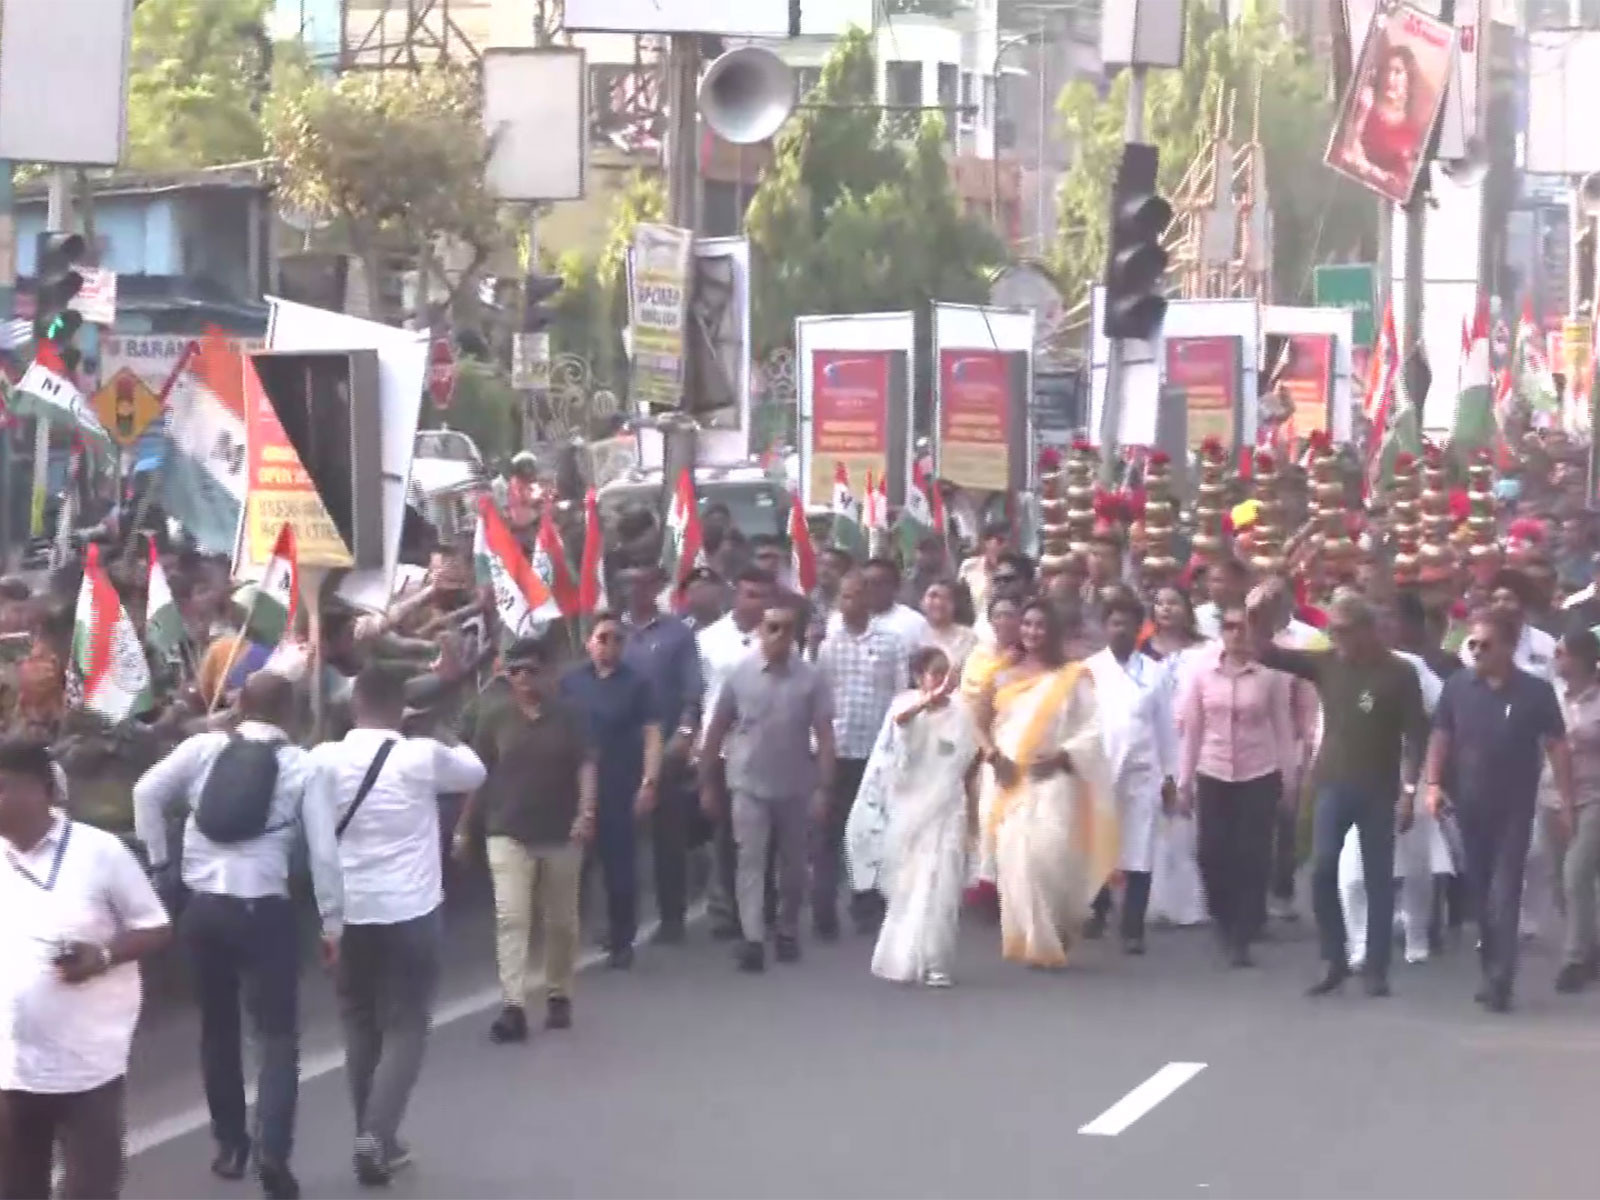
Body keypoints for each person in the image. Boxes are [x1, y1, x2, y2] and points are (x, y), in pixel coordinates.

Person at [132, 672, 340, 1200]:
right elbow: (322, 853)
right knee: (275, 1038)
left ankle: (230, 1146)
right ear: (291, 714)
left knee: (217, 1030)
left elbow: (145, 794)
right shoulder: (304, 765)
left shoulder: (204, 747)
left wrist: (161, 867)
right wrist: (333, 921)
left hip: (202, 910)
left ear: (240, 706)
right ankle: (274, 1152)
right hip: (264, 910)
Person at [306, 663, 486, 1186]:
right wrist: (432, 727)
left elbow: (316, 837)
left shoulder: (323, 758)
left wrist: (328, 919)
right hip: (411, 909)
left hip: (350, 912)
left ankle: (374, 1132)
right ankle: (377, 1134)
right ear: (400, 705)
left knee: (359, 1022)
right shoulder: (420, 754)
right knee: (407, 1025)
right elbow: (474, 770)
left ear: (354, 702)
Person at [1, 739, 171, 1200]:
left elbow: (156, 928)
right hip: (12, 1070)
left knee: (90, 1189)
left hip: (89, 1067)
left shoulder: (100, 852)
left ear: (40, 791)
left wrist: (103, 956)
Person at [1248, 583, 1427, 999]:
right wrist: (1256, 615)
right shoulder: (1327, 663)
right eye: (1333, 630)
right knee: (1323, 869)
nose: (1337, 638)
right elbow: (1267, 654)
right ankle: (1335, 959)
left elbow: (1417, 735)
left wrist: (1409, 790)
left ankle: (1376, 968)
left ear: (1367, 630)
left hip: (1380, 789)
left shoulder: (1400, 673)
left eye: (1344, 630)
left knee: (1379, 880)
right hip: (1332, 783)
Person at [1428, 611, 1573, 1012]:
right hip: (1468, 804)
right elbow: (1441, 734)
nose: (1476, 650)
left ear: (1509, 648)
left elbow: (1557, 746)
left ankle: (1500, 979)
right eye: (1473, 643)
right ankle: (1490, 962)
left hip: (1514, 805)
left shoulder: (1535, 691)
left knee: (1504, 890)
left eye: (1486, 644)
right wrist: (1433, 783)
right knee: (1479, 890)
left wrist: (1564, 799)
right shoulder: (1458, 686)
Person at [457, 637, 596, 1043]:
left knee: (561, 922)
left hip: (560, 832)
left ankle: (558, 992)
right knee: (512, 918)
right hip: (507, 830)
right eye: (514, 671)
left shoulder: (570, 716)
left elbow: (585, 765)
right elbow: (477, 777)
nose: (523, 679)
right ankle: (513, 1005)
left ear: (549, 672)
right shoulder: (495, 718)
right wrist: (466, 828)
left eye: (532, 670)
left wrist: (586, 811)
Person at [979, 598, 1115, 968]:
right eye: (1027, 625)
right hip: (1010, 778)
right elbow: (978, 721)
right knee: (1017, 857)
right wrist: (993, 757)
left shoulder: (1073, 676)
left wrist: (1061, 756)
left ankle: (1060, 922)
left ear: (1052, 631)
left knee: (1051, 854)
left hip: (1055, 777)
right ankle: (1037, 939)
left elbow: (1092, 730)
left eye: (1040, 626)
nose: (1032, 632)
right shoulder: (1003, 673)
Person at [701, 600, 836, 973]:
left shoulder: (811, 678)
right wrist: (707, 783)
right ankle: (753, 938)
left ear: (795, 634)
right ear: (759, 632)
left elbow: (824, 735)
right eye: (772, 627)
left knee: (793, 866)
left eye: (786, 629)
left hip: (795, 785)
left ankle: (788, 927)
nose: (779, 636)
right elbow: (715, 730)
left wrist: (824, 787)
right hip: (747, 783)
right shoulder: (739, 674)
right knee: (751, 859)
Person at [846, 646, 978, 986]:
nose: (943, 680)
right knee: (912, 885)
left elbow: (968, 760)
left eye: (947, 672)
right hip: (912, 809)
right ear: (920, 676)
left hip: (949, 807)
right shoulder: (905, 705)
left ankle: (936, 962)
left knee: (943, 882)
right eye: (934, 672)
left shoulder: (963, 712)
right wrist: (928, 699)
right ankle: (904, 954)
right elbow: (901, 724)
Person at [1178, 604, 1295, 965]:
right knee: (1210, 852)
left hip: (1258, 771)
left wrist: (1289, 779)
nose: (1235, 634)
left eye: (1242, 627)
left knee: (1252, 854)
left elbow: (1282, 726)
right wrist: (1184, 781)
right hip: (1213, 769)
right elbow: (1192, 728)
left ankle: (1241, 934)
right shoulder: (1202, 671)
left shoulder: (1270, 673)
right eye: (1228, 626)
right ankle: (1222, 915)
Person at [558, 611, 661, 968]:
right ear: (589, 642)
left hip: (620, 784)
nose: (610, 646)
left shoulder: (637, 684)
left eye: (618, 639)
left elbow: (651, 734)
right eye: (603, 638)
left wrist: (649, 781)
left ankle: (622, 939)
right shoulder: (571, 682)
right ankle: (567, 938)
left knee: (620, 868)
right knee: (571, 869)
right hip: (572, 789)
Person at [815, 570, 911, 937]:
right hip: (836, 749)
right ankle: (824, 910)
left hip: (876, 752)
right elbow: (821, 695)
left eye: (855, 596)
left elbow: (901, 694)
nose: (848, 603)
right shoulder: (828, 644)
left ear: (869, 600)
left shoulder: (891, 642)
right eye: (843, 597)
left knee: (872, 831)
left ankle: (868, 905)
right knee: (828, 831)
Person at [1084, 587, 1179, 954]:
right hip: (1100, 771)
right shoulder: (1091, 670)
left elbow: (1166, 728)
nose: (1120, 630)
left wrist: (1171, 776)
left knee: (1139, 849)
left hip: (1143, 773)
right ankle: (1097, 908)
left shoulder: (1155, 674)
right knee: (1098, 844)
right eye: (1114, 623)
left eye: (1127, 624)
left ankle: (1133, 926)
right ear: (1105, 627)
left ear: (1140, 628)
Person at [618, 565, 702, 946]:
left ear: (656, 587)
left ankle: (672, 917)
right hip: (618, 751)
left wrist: (685, 733)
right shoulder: (610, 632)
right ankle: (620, 922)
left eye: (641, 583)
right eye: (627, 583)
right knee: (619, 843)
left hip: (665, 750)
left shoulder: (677, 634)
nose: (634, 589)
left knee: (668, 840)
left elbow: (692, 692)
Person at [696, 567, 773, 939]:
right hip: (724, 747)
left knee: (763, 835)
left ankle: (763, 908)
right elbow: (699, 696)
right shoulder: (709, 639)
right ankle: (724, 909)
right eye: (749, 594)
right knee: (725, 833)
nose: (755, 602)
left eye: (762, 595)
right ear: (736, 597)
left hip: (768, 746)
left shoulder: (778, 638)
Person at [1142, 584, 1209, 928]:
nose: (1166, 609)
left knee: (1188, 820)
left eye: (1173, 602)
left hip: (1195, 741)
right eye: (1159, 603)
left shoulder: (1205, 652)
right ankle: (1156, 899)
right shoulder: (1141, 654)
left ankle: (1191, 900)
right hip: (1152, 742)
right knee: (1155, 820)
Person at [1554, 627, 1600, 993]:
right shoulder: (1550, 695)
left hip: (1593, 795)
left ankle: (1574, 959)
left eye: (1562, 653)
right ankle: (1591, 942)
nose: (1556, 660)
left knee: (1576, 873)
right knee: (1558, 881)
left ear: (1583, 659)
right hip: (1550, 795)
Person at [827, 557, 932, 653]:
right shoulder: (838, 620)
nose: (871, 589)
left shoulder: (914, 622)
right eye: (866, 583)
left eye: (879, 584)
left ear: (896, 587)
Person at [921, 579, 977, 674]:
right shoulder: (912, 631)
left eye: (946, 598)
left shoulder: (968, 637)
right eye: (933, 596)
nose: (939, 603)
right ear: (921, 601)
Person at [957, 520, 1010, 618]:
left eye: (1009, 542)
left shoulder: (1016, 571)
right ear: (986, 542)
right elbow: (960, 601)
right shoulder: (968, 567)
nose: (1005, 546)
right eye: (1000, 541)